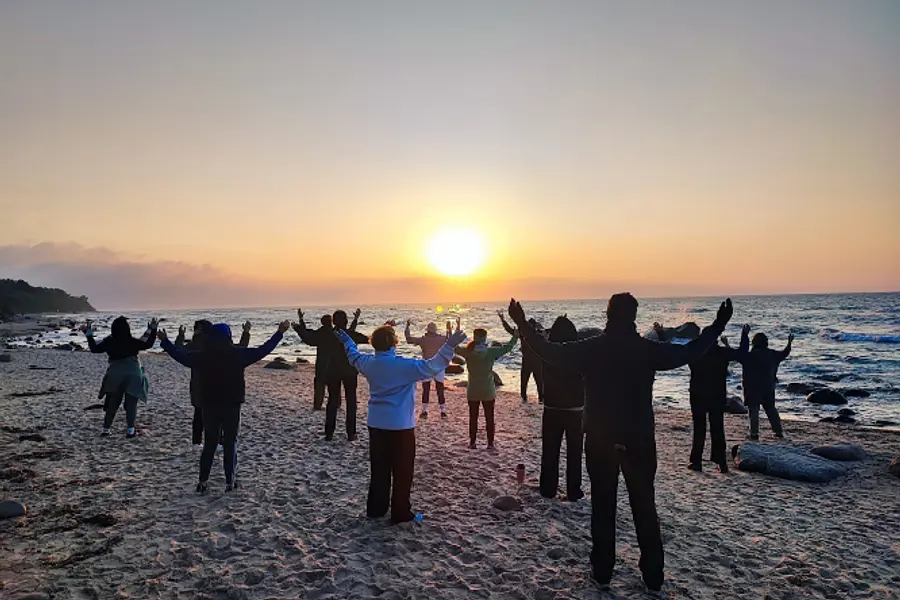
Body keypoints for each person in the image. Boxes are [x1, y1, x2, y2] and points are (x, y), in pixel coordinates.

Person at [508, 294, 733, 593]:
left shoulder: (592, 348)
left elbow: (548, 351)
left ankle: (602, 572)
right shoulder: (646, 349)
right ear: (634, 315)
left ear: (607, 314)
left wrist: (522, 323)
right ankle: (653, 577)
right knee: (644, 506)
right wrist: (718, 325)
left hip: (601, 438)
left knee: (604, 505)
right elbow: (690, 352)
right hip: (638, 437)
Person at [336, 321, 467, 523]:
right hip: (400, 426)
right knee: (403, 471)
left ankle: (376, 510)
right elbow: (433, 366)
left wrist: (347, 340)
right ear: (393, 344)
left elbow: (353, 356)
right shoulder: (405, 365)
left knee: (379, 469)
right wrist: (450, 345)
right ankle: (400, 512)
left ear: (375, 344)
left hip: (376, 423)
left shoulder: (369, 363)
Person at [157, 320, 289, 494]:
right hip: (232, 404)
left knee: (210, 444)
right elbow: (263, 350)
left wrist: (165, 341)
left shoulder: (202, 356)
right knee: (230, 443)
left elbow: (181, 356)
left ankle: (203, 482)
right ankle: (229, 482)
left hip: (209, 404)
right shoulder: (238, 355)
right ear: (229, 336)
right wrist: (279, 333)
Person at [654, 322, 750, 473]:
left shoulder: (695, 352)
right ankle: (721, 463)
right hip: (717, 394)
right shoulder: (722, 352)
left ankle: (696, 462)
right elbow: (742, 353)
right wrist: (744, 335)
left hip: (698, 393)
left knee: (699, 428)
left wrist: (660, 334)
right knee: (717, 427)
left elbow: (670, 351)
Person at [174, 320, 252, 445]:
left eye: (197, 329)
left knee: (200, 415)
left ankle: (197, 441)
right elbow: (240, 348)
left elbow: (178, 350)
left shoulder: (197, 346)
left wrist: (181, 336)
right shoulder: (217, 345)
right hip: (216, 385)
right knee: (217, 415)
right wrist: (246, 332)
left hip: (200, 385)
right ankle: (216, 440)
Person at [295, 309, 367, 441]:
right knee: (351, 401)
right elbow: (370, 340)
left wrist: (298, 327)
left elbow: (308, 338)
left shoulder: (326, 334)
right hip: (350, 372)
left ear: (333, 321)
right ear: (346, 321)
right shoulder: (350, 334)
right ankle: (351, 433)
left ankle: (329, 433)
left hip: (332, 371)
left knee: (332, 401)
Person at [83, 316, 158, 438]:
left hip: (115, 373)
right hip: (133, 373)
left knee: (113, 402)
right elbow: (148, 343)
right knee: (131, 403)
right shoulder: (132, 341)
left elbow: (94, 348)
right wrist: (153, 329)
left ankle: (106, 429)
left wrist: (89, 334)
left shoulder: (109, 341)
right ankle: (130, 430)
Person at [537, 315, 585, 501]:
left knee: (550, 450)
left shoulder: (547, 353)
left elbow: (537, 340)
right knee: (574, 452)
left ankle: (548, 489)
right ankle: (574, 490)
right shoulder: (580, 353)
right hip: (575, 408)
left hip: (552, 407)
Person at [454, 324, 518, 450]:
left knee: (473, 417)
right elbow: (508, 348)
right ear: (485, 338)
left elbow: (453, 347)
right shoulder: (490, 351)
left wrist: (453, 332)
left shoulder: (467, 352)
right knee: (490, 418)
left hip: (473, 390)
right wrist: (515, 336)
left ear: (474, 337)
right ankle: (490, 444)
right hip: (488, 390)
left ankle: (472, 443)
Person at [294, 309, 359, 411]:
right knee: (335, 388)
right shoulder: (337, 334)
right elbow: (350, 332)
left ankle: (318, 405)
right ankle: (336, 404)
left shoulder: (320, 334)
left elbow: (307, 336)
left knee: (320, 386)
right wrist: (355, 319)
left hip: (321, 365)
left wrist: (299, 324)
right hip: (334, 366)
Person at [741, 327, 793, 441]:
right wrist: (789, 342)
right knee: (771, 410)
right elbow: (785, 353)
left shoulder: (750, 356)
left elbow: (737, 355)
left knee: (754, 411)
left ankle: (754, 434)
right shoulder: (773, 354)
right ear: (766, 343)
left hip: (752, 388)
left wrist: (743, 335)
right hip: (768, 387)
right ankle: (778, 432)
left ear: (754, 343)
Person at [404, 319, 452, 418]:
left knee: (426, 389)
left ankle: (424, 411)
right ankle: (443, 411)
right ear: (436, 330)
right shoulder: (441, 339)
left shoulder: (423, 339)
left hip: (427, 365)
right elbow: (451, 340)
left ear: (427, 330)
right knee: (440, 389)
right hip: (439, 366)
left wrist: (407, 327)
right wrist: (448, 329)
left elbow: (409, 339)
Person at [499, 311, 545, 403]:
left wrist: (503, 320)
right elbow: (551, 334)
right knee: (539, 382)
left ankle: (524, 398)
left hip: (527, 361)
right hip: (536, 361)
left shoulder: (523, 334)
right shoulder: (539, 335)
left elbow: (509, 330)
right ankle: (540, 398)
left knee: (525, 381)